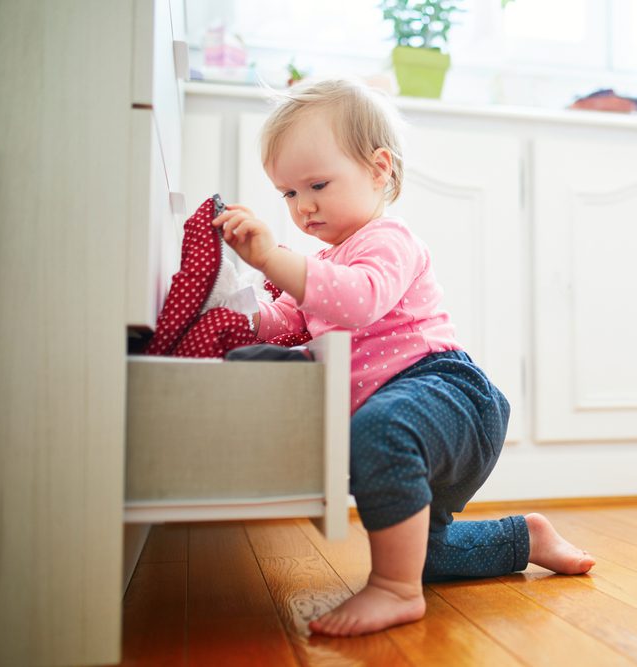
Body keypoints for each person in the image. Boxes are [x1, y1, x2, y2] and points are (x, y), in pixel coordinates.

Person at [212, 78, 595, 637]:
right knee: (426, 550)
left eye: (317, 183)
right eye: (288, 194)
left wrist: (274, 260)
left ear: (379, 169)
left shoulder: (386, 241)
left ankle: (394, 590)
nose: (303, 206)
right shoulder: (323, 263)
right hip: (405, 418)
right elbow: (291, 325)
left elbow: (357, 299)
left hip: (448, 394)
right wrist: (235, 316)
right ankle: (525, 537)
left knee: (380, 432)